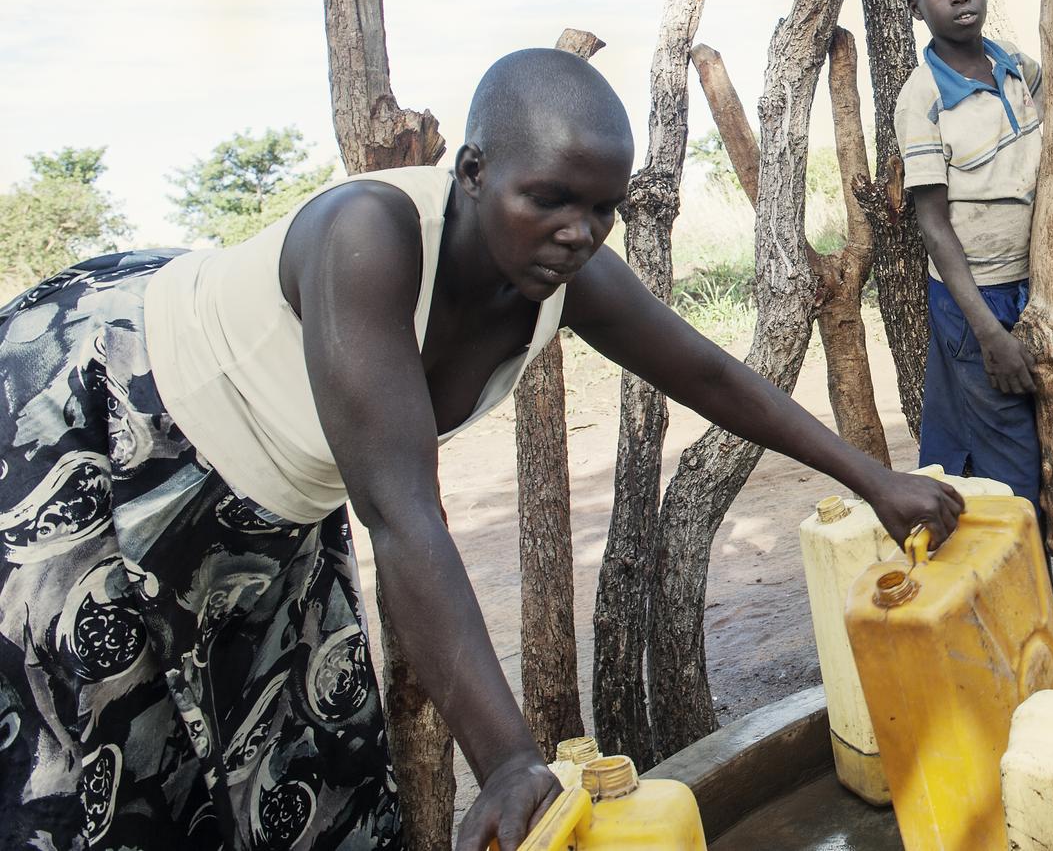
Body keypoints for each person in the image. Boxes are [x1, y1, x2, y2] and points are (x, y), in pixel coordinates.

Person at [0, 48, 962, 851]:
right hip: (116, 432)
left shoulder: (565, 273)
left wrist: (875, 481)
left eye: (602, 209)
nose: (577, 233)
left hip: (275, 516)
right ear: (470, 172)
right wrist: (506, 758)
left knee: (304, 790)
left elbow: (708, 376)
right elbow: (401, 514)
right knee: (107, 769)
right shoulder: (366, 239)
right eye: (547, 199)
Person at [894, 0, 1045, 505]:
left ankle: (1050, 584)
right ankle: (1029, 591)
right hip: (976, 300)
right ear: (918, 7)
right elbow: (933, 224)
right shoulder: (922, 98)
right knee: (1011, 462)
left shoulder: (1016, 66)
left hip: (1035, 285)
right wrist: (989, 333)